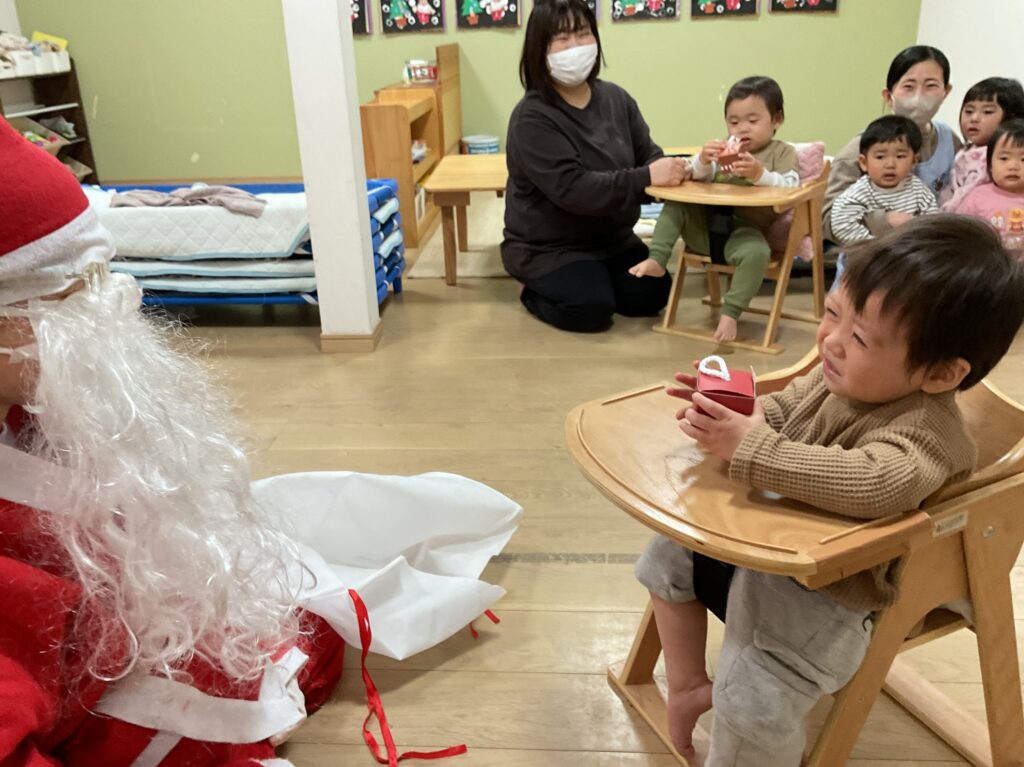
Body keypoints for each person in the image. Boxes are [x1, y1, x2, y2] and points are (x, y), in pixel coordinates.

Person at [0, 117, 522, 766]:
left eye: (102, 277)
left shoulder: (30, 403)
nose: (114, 307)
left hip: (124, 634)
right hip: (94, 683)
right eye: (69, 298)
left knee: (303, 618)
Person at [634, 215, 1024, 766]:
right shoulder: (838, 375)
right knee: (665, 556)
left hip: (835, 594)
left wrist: (753, 448)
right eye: (833, 313)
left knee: (752, 704)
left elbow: (875, 484)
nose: (831, 342)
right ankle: (688, 685)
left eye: (859, 337)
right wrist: (735, 414)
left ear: (939, 375)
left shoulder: (930, 435)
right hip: (777, 549)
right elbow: (784, 410)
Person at [501, 0, 689, 333]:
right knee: (590, 309)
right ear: (539, 50)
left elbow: (648, 153)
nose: (575, 46)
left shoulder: (617, 99)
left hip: (614, 240)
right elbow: (575, 190)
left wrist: (676, 170)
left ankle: (598, 280)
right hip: (549, 248)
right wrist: (647, 177)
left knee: (654, 292)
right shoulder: (531, 118)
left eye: (582, 33)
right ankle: (531, 291)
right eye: (561, 38)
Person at [635, 76, 799, 343]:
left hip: (743, 233)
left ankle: (731, 313)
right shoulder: (724, 148)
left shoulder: (781, 153)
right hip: (705, 228)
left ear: (777, 119)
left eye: (752, 121)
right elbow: (695, 175)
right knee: (678, 202)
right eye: (733, 122)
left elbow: (791, 188)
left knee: (758, 254)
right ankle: (658, 258)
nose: (742, 128)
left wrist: (760, 175)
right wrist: (702, 160)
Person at [823, 45, 959, 243]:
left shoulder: (950, 140)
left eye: (930, 86)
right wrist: (886, 220)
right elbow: (827, 221)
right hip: (871, 253)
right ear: (888, 96)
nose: (919, 96)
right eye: (908, 87)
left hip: (930, 250)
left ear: (945, 92)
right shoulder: (861, 149)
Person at [830, 115, 937, 245]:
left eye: (900, 156)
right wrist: (873, 245)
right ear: (864, 162)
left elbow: (932, 223)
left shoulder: (918, 190)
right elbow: (841, 224)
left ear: (914, 161)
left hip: (908, 249)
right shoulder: (859, 192)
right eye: (880, 157)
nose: (890, 165)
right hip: (869, 251)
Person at [940, 77, 1024, 211]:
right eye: (969, 111)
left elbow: (968, 192)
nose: (974, 118)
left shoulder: (987, 157)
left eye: (987, 112)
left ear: (1011, 117)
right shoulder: (965, 149)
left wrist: (946, 213)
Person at [951, 119, 1024, 254]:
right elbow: (958, 232)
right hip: (986, 263)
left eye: (1023, 159)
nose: (1013, 166)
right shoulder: (977, 197)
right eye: (1004, 158)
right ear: (990, 165)